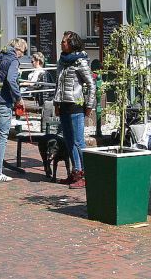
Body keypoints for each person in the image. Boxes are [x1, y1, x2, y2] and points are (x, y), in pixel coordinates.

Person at [53, 31, 95, 189]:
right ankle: (76, 171)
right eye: (62, 41)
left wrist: (89, 106)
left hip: (75, 106)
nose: (61, 44)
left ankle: (87, 174)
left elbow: (91, 84)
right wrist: (56, 103)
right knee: (69, 140)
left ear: (72, 44)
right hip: (63, 105)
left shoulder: (80, 61)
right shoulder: (62, 61)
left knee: (78, 141)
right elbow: (58, 85)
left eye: (64, 42)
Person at [0, 38, 26, 183]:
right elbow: (11, 79)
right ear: (18, 49)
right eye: (23, 52)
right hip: (3, 102)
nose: (22, 55)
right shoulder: (13, 60)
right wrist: (18, 98)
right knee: (2, 138)